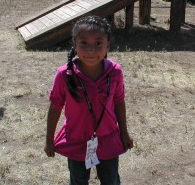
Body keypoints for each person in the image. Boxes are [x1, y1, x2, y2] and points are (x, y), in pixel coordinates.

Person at [44, 16, 133, 185]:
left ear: (108, 45)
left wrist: (124, 132)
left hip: (108, 140)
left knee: (110, 179)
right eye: (84, 43)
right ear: (74, 45)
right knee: (78, 180)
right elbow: (55, 106)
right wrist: (49, 139)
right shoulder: (65, 75)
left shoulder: (115, 72)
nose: (91, 50)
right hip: (76, 140)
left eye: (98, 43)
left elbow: (119, 101)